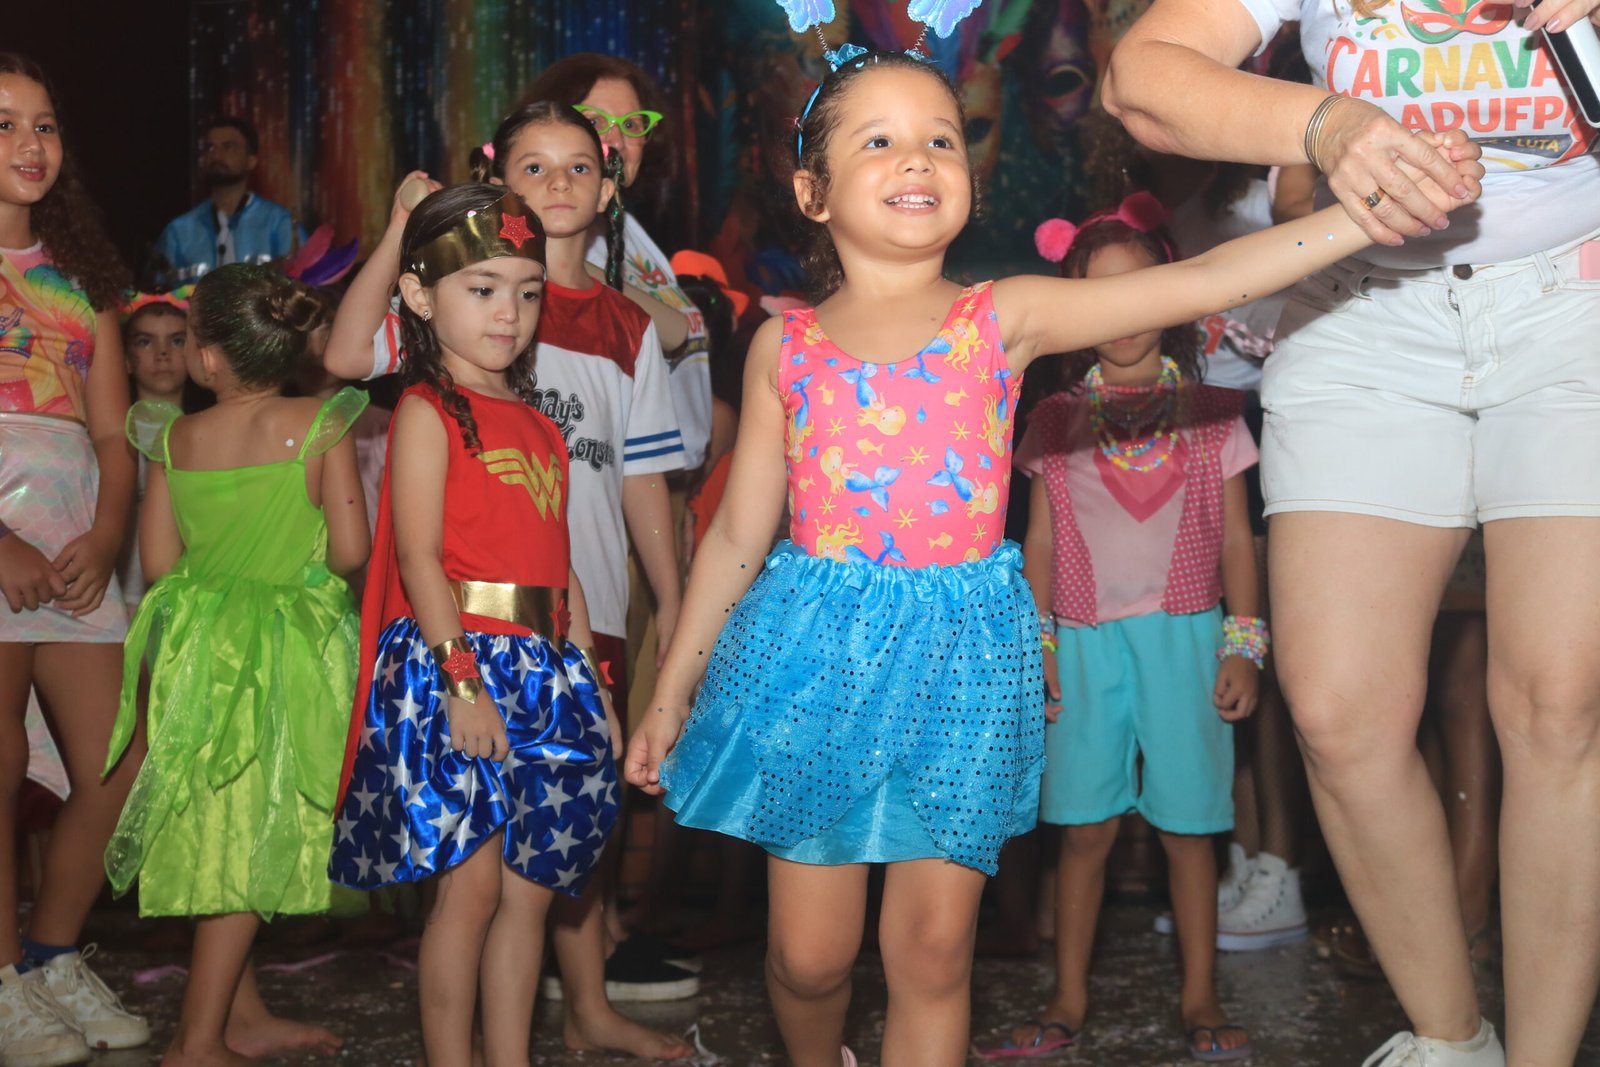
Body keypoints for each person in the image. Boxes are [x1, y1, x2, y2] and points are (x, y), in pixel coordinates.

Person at [623, 34, 1479, 1066]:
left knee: (932, 952)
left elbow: (1202, 280)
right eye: (879, 140)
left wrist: (1367, 209)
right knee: (809, 958)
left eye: (942, 139)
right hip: (819, 664)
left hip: (960, 662)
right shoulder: (784, 347)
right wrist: (672, 689)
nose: (917, 157)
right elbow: (733, 535)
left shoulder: (1003, 316)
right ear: (812, 191)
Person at [1105, 0, 1594, 1061]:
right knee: (1338, 713)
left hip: (1579, 304)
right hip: (1360, 312)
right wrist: (1327, 125)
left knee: (1560, 704)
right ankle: (1451, 1041)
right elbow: (1140, 76)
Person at [326, 184, 620, 1067]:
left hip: (544, 670)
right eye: (483, 289)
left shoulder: (540, 424)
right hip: (458, 666)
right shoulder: (426, 409)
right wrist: (461, 684)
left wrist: (596, 685)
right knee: (472, 888)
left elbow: (560, 565)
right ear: (421, 296)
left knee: (530, 892)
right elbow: (418, 558)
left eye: (527, 292)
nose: (508, 313)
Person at [981, 196, 1261, 1062]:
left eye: (1140, 292)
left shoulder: (1213, 411)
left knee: (1189, 830)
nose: (1125, 315)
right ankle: (1067, 994)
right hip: (1082, 643)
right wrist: (1040, 643)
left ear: (1172, 297)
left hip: (1188, 640)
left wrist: (1244, 644)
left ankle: (1200, 993)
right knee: (1084, 830)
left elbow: (1239, 538)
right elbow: (1037, 541)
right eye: (1101, 298)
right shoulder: (1054, 419)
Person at [101, 263, 366, 1066]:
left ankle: (235, 1016)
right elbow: (351, 548)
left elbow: (158, 561)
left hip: (200, 649)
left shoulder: (174, 437)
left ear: (208, 358)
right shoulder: (320, 422)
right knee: (256, 834)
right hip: (287, 647)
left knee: (218, 822)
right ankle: (198, 1039)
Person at [0, 51, 150, 1067]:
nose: (31, 142)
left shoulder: (85, 277)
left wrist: (104, 534)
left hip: (72, 543)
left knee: (116, 758)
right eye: (5, 122)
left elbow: (112, 434)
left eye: (45, 123)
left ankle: (50, 954)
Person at [524, 53, 711, 472]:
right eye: (595, 121)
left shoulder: (628, 231)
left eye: (631, 125)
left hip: (670, 480)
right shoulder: (546, 242)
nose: (617, 141)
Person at [147, 117, 301, 289]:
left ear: (251, 160)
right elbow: (157, 291)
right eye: (210, 148)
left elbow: (304, 287)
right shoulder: (179, 231)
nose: (216, 155)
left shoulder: (281, 223)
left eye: (229, 147)